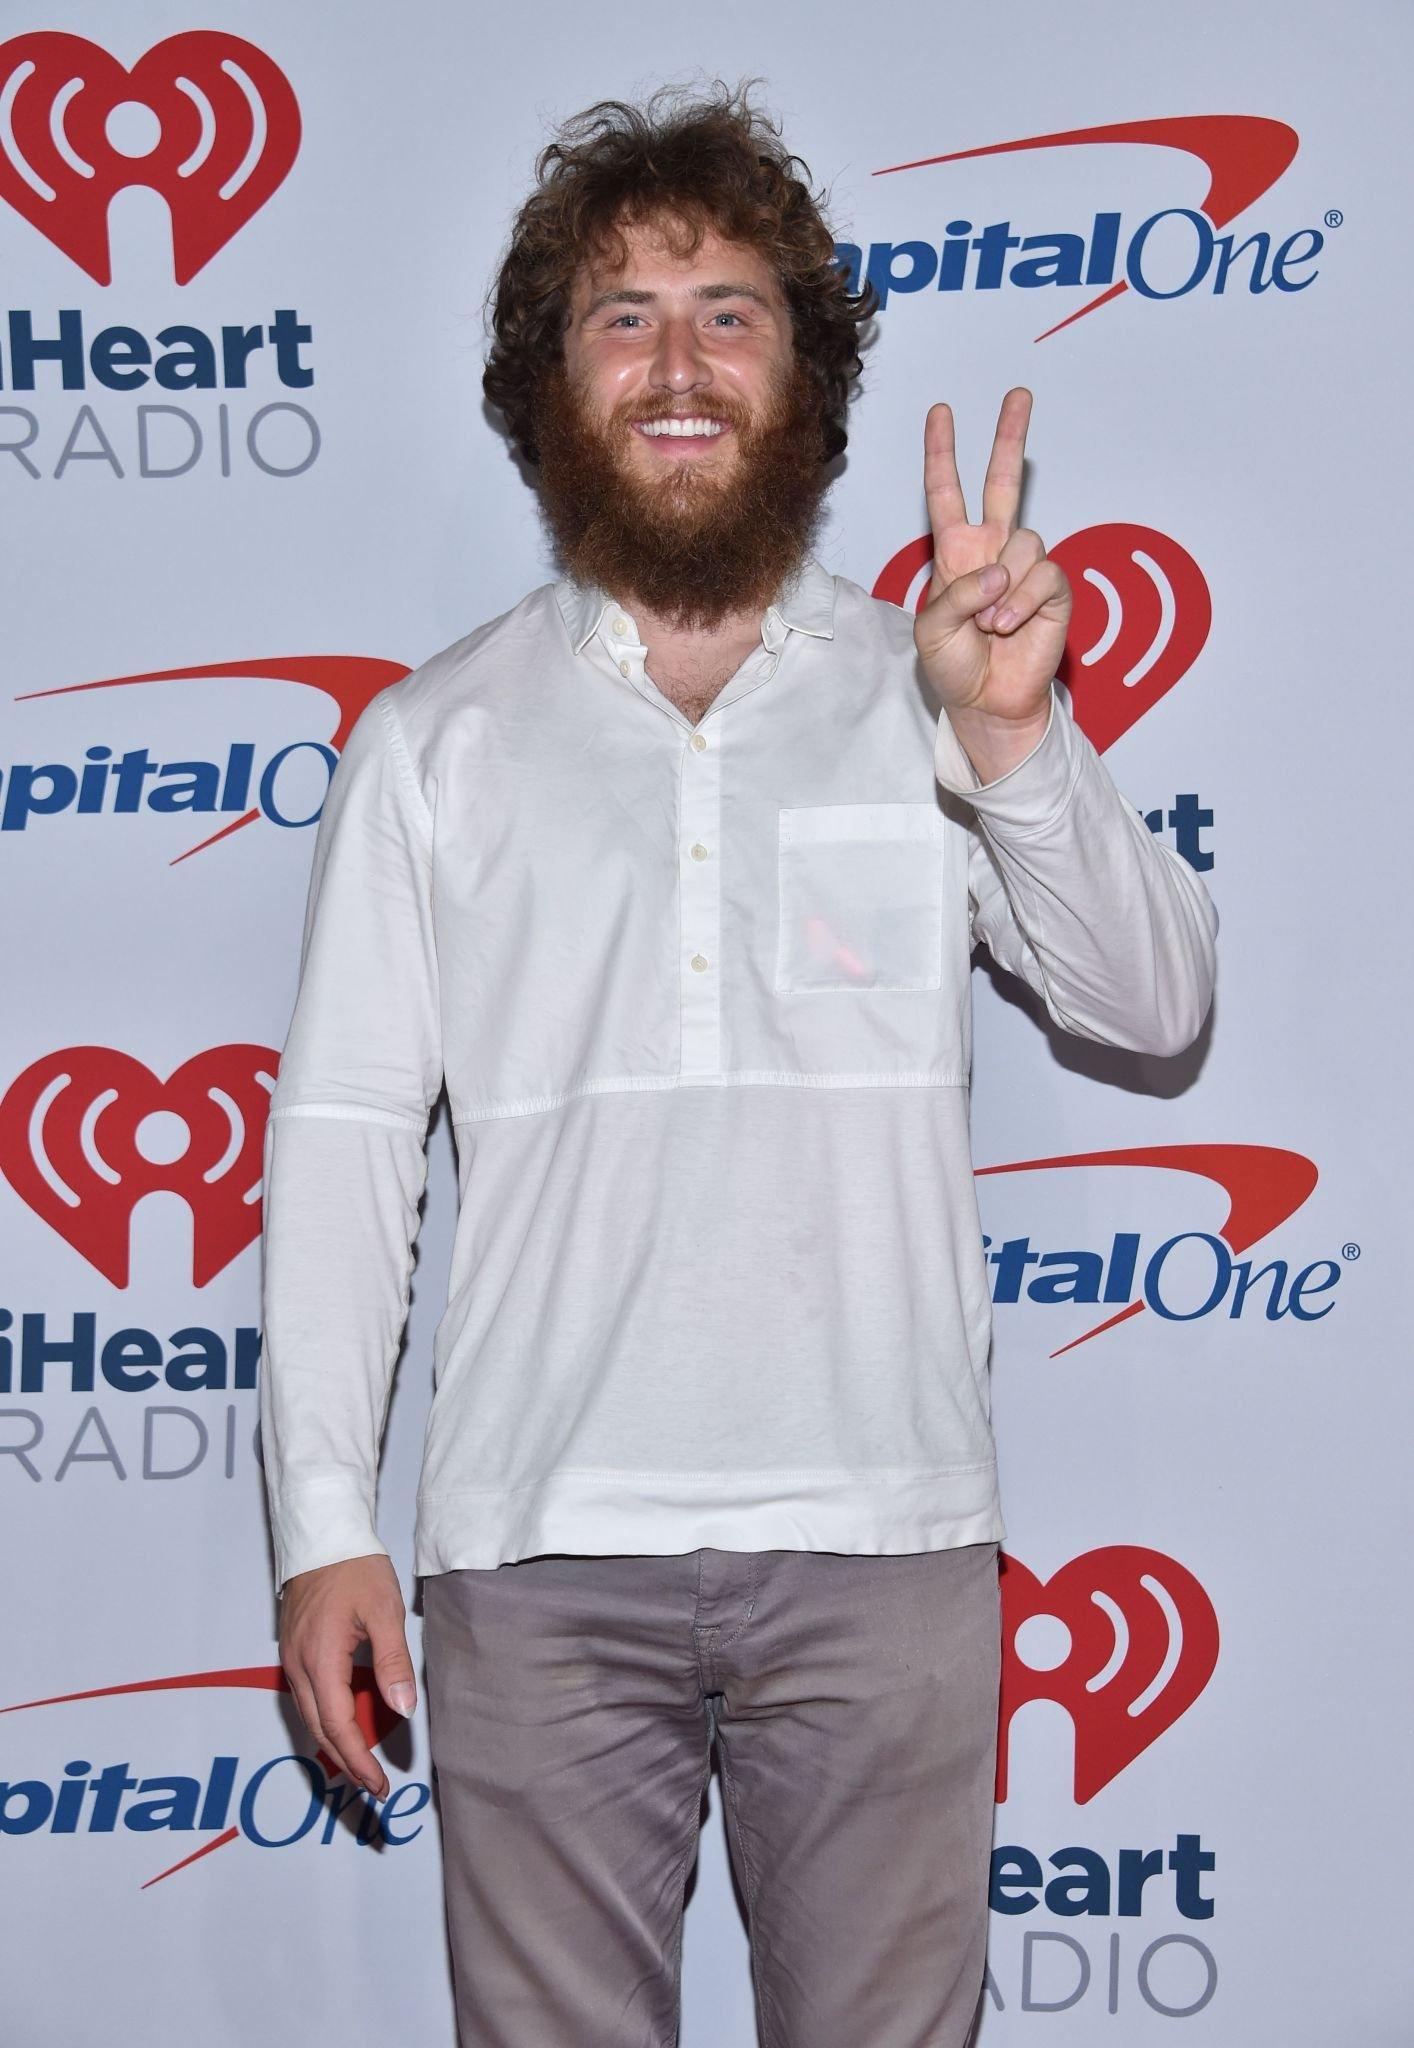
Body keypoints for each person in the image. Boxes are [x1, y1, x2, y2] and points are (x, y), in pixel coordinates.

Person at [258, 79, 1217, 2048]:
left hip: (886, 1554)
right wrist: (320, 1519)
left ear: (808, 376)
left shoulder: (932, 682)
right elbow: (349, 1140)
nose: (678, 360)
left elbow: (1151, 1002)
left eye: (730, 309)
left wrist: (1018, 742)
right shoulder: (434, 745)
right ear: (551, 383)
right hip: (531, 1556)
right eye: (622, 312)